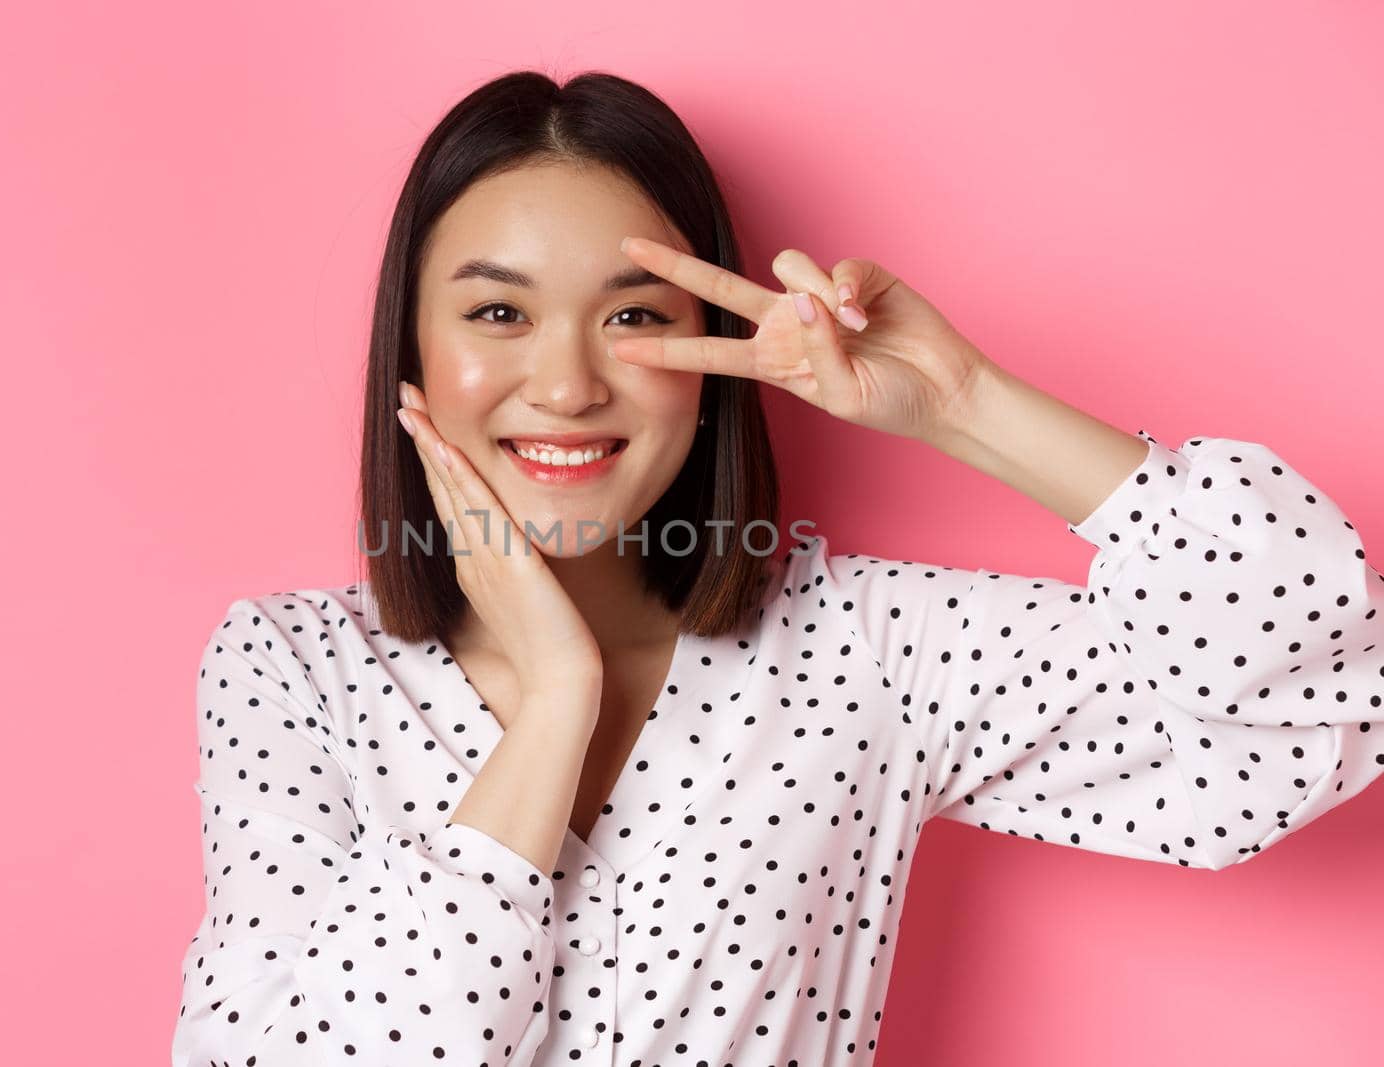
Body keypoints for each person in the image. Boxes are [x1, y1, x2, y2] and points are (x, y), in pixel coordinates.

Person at [172, 69, 1384, 1067]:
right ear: (414, 354)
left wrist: (964, 404)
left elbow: (1307, 715)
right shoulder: (293, 667)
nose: (566, 383)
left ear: (713, 371)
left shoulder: (861, 649)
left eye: (637, 316)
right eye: (498, 315)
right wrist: (553, 702)